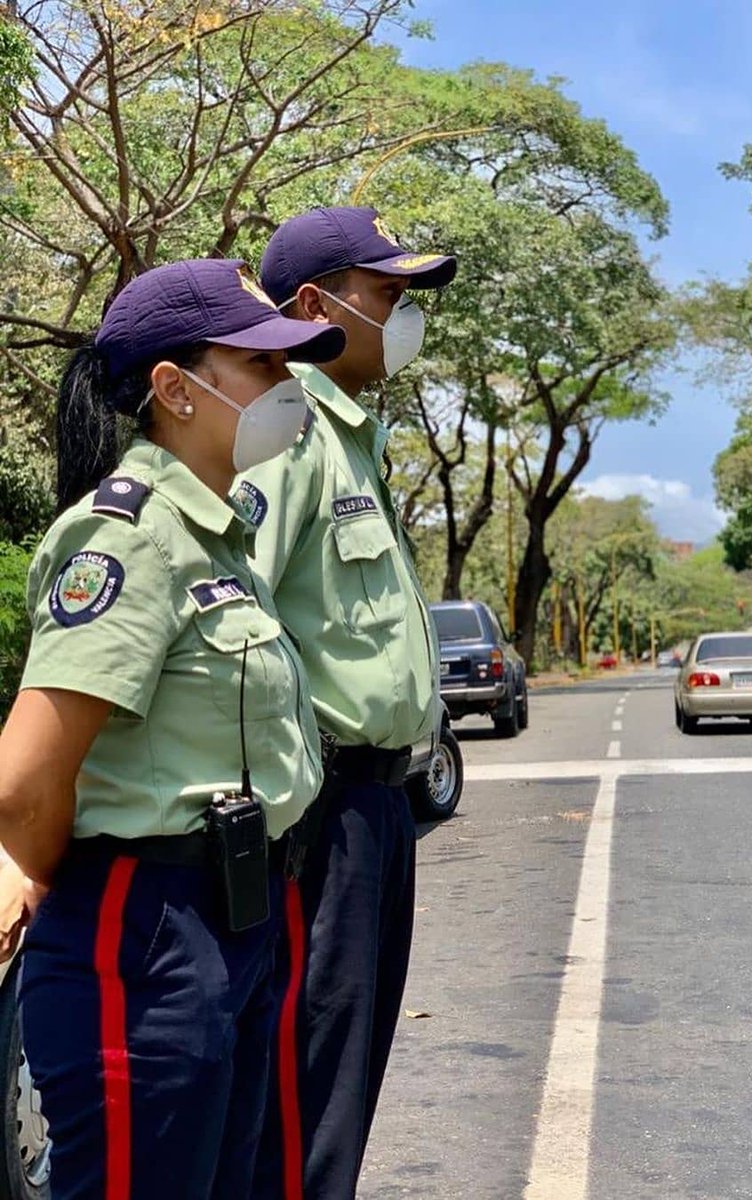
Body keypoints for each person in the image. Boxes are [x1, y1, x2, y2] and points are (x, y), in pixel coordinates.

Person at [0, 258, 346, 1199]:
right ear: (174, 389)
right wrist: (40, 872)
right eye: (264, 366)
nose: (289, 387)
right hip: (144, 936)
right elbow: (27, 777)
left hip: (234, 922)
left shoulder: (219, 535)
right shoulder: (128, 539)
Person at [238, 206, 457, 1199]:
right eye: (388, 297)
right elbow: (234, 626)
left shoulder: (351, 440)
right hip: (315, 811)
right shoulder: (286, 438)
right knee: (305, 1097)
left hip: (377, 808)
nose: (403, 318)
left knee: (346, 1084)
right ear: (316, 305)